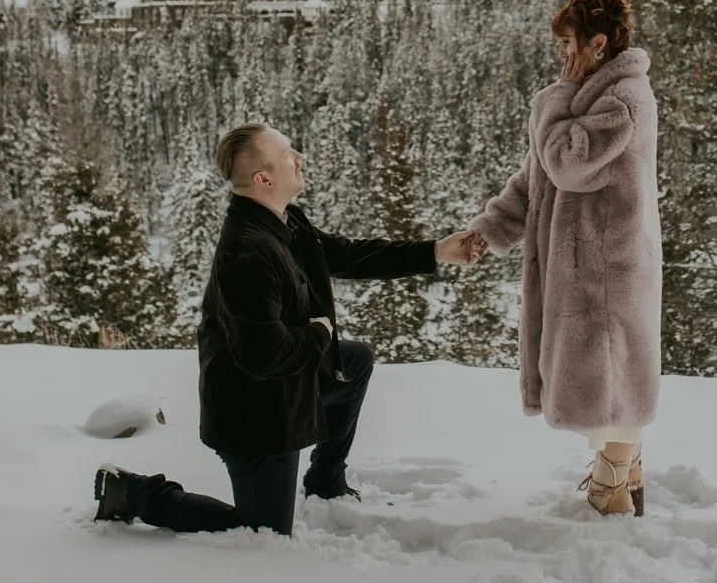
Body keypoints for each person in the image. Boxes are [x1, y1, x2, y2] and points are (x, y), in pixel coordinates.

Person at [92, 123, 483, 535]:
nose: (300, 157)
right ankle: (131, 493)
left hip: (287, 387)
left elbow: (346, 255)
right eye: (288, 155)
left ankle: (325, 480)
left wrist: (436, 251)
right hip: (255, 416)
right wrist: (319, 333)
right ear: (264, 178)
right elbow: (265, 356)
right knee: (260, 531)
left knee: (355, 362)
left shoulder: (285, 221)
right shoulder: (245, 252)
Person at [470, 0, 662, 517]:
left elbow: (568, 166)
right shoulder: (587, 96)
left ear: (598, 43)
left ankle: (617, 493)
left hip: (608, 270)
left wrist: (553, 102)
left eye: (569, 42)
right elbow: (536, 179)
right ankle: (623, 472)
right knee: (598, 389)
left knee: (611, 390)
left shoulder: (623, 102)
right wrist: (489, 231)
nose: (563, 53)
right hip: (583, 270)